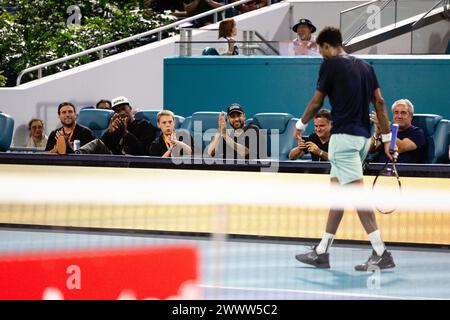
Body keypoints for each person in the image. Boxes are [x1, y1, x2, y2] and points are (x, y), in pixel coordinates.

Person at [293, 27, 396, 271]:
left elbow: (317, 101)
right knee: (338, 197)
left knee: (358, 198)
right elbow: (380, 103)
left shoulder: (330, 64)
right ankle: (322, 251)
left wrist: (300, 124)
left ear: (327, 46)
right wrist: (388, 138)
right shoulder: (366, 67)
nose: (322, 56)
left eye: (321, 51)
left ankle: (381, 252)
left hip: (343, 141)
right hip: (361, 141)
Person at [369, 98, 425, 163]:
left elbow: (400, 148)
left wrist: (383, 128)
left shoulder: (417, 133)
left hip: (403, 171)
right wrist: (376, 134)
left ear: (411, 116)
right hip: (378, 170)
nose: (399, 116)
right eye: (396, 112)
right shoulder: (387, 132)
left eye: (403, 113)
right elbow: (369, 149)